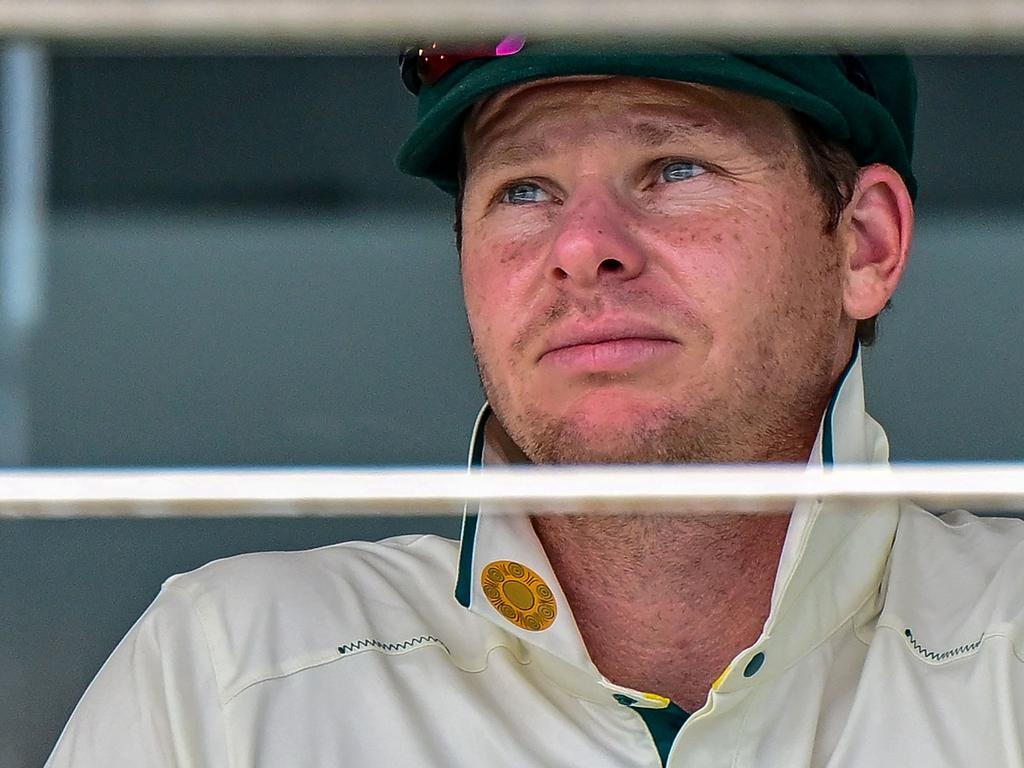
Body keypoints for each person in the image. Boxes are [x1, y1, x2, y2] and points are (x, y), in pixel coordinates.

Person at [46, 42, 1024, 768]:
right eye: (523, 189)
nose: (582, 245)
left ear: (862, 246)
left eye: (674, 167)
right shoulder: (228, 679)